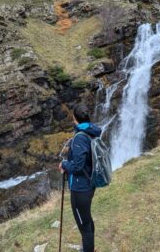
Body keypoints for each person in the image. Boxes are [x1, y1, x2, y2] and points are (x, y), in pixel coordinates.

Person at [59, 104, 102, 252]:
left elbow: (77, 167)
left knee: (84, 225)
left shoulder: (80, 138)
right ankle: (89, 248)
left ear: (74, 118)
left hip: (80, 188)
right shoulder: (91, 132)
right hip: (89, 183)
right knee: (87, 220)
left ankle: (88, 249)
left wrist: (64, 164)